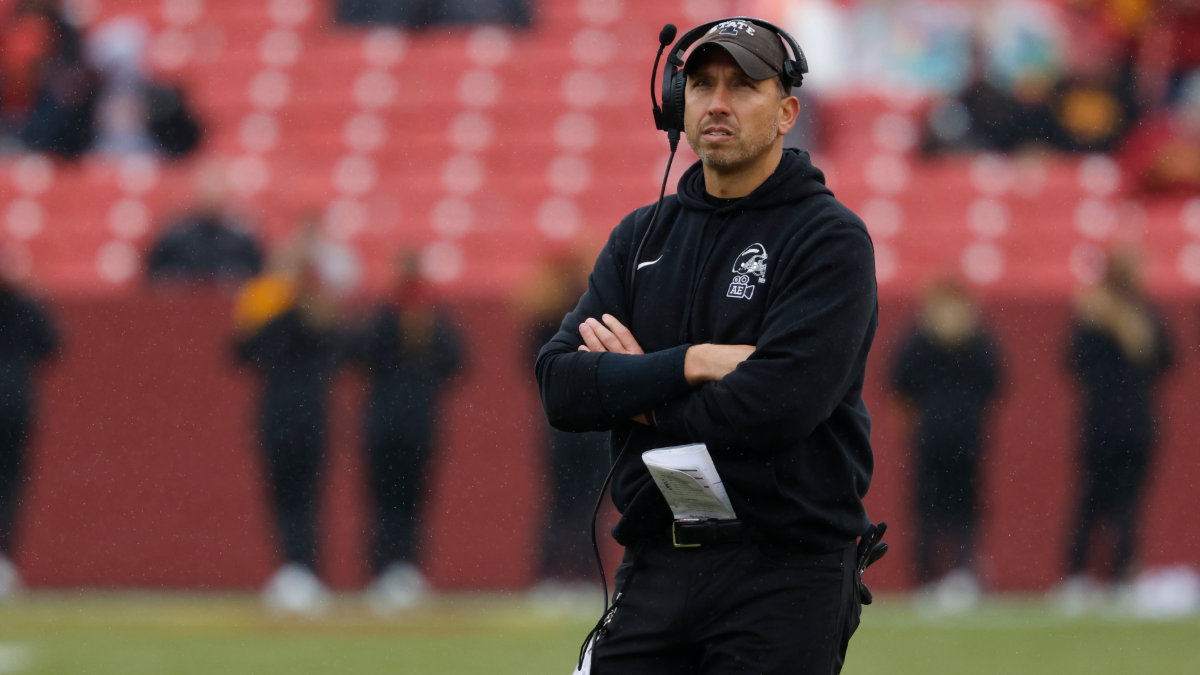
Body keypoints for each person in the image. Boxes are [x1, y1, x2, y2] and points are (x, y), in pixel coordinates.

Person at [536, 19, 879, 674]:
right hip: (659, 557)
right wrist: (690, 363)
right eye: (701, 84)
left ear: (786, 113)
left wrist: (635, 388)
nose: (717, 102)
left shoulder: (829, 239)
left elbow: (777, 407)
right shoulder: (640, 237)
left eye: (742, 85)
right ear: (676, 103)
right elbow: (560, 383)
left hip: (785, 569)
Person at [1057, 249, 1173, 614]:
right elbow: (1166, 360)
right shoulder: (1133, 314)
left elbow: (1073, 361)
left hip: (1107, 423)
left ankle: (1084, 576)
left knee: (1098, 502)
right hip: (1130, 423)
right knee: (1115, 503)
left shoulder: (1104, 313)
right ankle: (1109, 576)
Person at [348, 252, 461, 613]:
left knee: (398, 500)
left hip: (395, 422)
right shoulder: (403, 316)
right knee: (398, 500)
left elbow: (359, 355)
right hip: (407, 423)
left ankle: (395, 569)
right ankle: (393, 568)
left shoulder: (407, 315)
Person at [235, 236, 343, 615]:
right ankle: (305, 571)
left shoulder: (278, 318)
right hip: (313, 416)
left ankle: (294, 571)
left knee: (285, 498)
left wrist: (266, 304)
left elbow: (241, 351)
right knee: (308, 498)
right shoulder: (326, 319)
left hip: (280, 416)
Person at [892, 278, 999, 613]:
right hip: (960, 434)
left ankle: (932, 578)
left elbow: (899, 383)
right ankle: (956, 573)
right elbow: (994, 382)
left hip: (934, 434)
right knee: (957, 508)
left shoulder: (920, 339)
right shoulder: (973, 339)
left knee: (934, 508)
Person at [523, 253, 610, 599]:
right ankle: (561, 574)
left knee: (577, 502)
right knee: (572, 502)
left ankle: (570, 575)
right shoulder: (563, 318)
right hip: (581, 425)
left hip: (577, 424)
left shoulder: (557, 319)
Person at [0, 272, 57, 597]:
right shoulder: (25, 305)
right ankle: (3, 562)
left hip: (16, 405)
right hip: (16, 403)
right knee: (9, 484)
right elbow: (51, 344)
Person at [146, 160, 264, 285]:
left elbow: (257, 282)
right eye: (207, 185)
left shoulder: (242, 241)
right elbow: (154, 279)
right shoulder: (175, 238)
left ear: (227, 191)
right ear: (196, 189)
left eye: (216, 184)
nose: (211, 193)